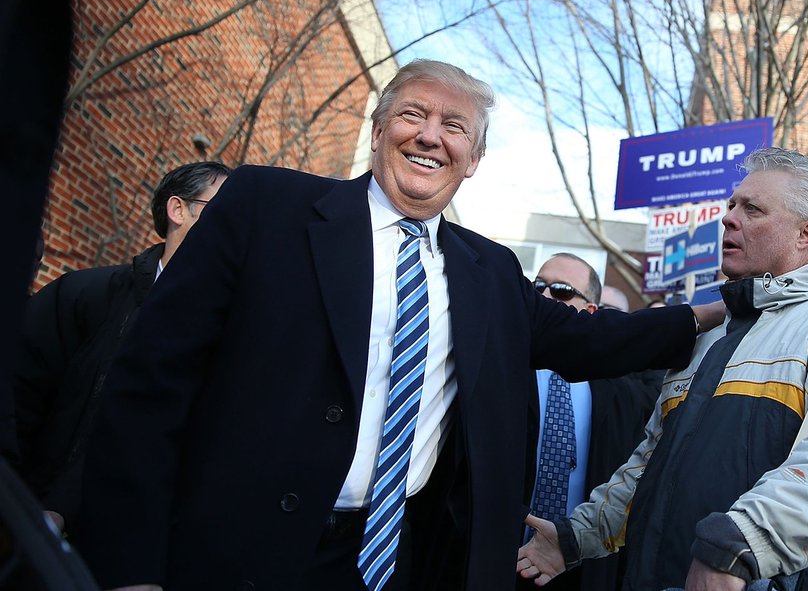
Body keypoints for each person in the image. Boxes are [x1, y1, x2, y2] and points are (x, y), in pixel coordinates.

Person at [76, 60, 723, 591]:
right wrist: (130, 569)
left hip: (395, 564)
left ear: (473, 158)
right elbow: (148, 386)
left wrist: (721, 305)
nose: (430, 135)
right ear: (381, 125)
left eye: (454, 125)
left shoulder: (489, 272)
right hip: (229, 554)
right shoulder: (265, 207)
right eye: (413, 113)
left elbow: (593, 338)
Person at [517, 148, 808, 591]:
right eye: (732, 205)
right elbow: (649, 464)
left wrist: (743, 543)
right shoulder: (711, 336)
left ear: (806, 234)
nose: (729, 218)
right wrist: (581, 536)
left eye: (753, 209)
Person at [13, 161, 230, 533]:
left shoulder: (228, 333)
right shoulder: (85, 297)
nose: (233, 226)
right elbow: (17, 400)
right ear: (178, 210)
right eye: (222, 211)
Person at [525, 255, 660, 591]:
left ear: (590, 313)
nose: (543, 297)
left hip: (582, 567)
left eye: (560, 291)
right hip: (497, 559)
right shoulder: (502, 370)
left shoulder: (623, 391)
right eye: (536, 287)